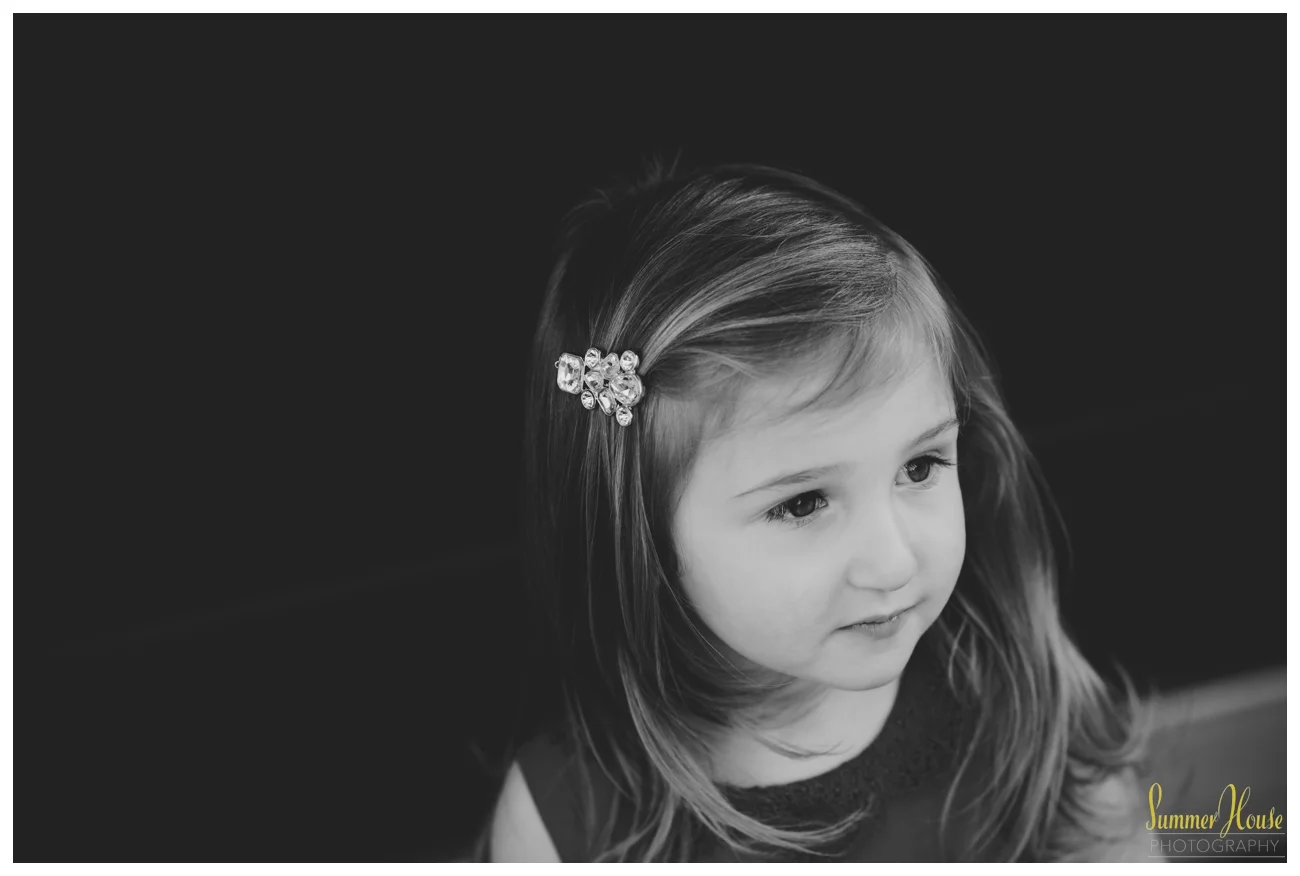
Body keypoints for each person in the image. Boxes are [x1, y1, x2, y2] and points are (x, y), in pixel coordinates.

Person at [483, 158, 1150, 862]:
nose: (893, 562)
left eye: (920, 467)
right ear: (638, 529)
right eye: (803, 503)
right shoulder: (572, 818)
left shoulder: (1025, 710)